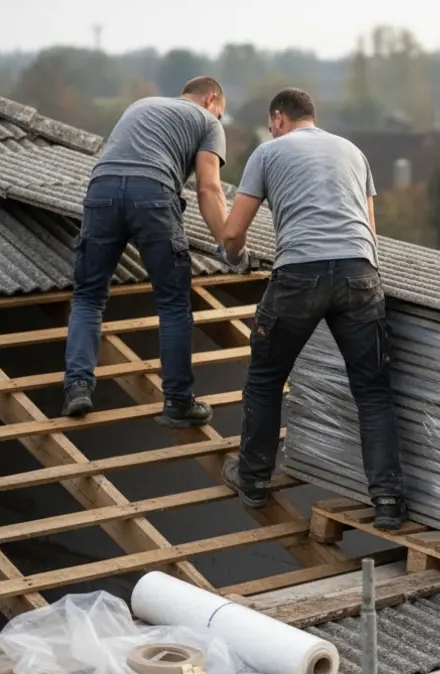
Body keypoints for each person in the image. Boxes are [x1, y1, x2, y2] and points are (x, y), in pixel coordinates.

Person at [219, 88, 407, 530]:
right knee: (373, 390)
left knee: (265, 380)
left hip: (298, 276)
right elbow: (370, 232)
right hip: (360, 274)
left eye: (271, 125)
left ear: (279, 118)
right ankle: (389, 502)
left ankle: (252, 480)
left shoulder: (268, 153)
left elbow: (232, 234)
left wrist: (235, 259)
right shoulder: (353, 152)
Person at [60, 76, 229, 428]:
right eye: (221, 113)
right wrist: (229, 244)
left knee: (89, 297)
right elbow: (209, 188)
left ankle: (77, 387)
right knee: (172, 304)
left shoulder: (140, 105)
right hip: (152, 193)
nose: (220, 120)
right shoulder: (207, 121)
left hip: (102, 189)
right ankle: (178, 403)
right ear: (212, 99)